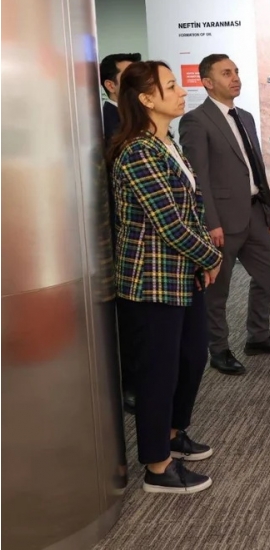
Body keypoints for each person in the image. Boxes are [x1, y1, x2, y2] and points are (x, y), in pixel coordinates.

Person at [108, 60, 223, 493]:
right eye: (171, 86)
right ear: (146, 99)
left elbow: (190, 209)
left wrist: (202, 258)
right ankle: (157, 466)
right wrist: (210, 256)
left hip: (182, 273)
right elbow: (169, 223)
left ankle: (173, 434)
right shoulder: (138, 151)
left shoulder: (167, 141)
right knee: (159, 373)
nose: (182, 91)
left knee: (192, 358)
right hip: (151, 281)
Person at [179, 54, 270, 376]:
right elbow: (198, 178)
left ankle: (258, 336)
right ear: (207, 82)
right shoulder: (196, 121)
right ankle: (218, 349)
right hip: (222, 220)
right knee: (218, 290)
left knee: (267, 273)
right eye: (226, 73)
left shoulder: (245, 116)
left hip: (255, 212)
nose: (235, 78)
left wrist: (268, 212)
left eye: (236, 71)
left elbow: (254, 168)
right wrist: (210, 222)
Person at [99, 52, 142, 414]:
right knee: (127, 317)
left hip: (143, 237)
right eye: (129, 77)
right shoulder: (105, 123)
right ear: (110, 85)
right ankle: (129, 383)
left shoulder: (139, 120)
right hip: (120, 233)